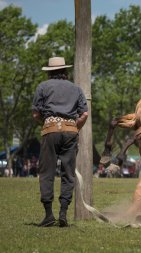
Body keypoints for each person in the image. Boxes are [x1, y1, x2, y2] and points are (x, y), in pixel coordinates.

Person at [32, 57, 88, 227]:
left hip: (50, 131)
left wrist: (49, 124)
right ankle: (63, 213)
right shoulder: (76, 89)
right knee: (68, 173)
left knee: (47, 172)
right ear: (65, 72)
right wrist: (73, 127)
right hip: (71, 131)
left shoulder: (43, 87)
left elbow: (35, 114)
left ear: (50, 72)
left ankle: (49, 215)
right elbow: (84, 114)